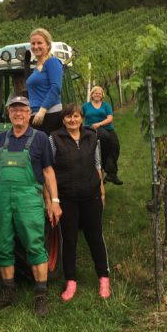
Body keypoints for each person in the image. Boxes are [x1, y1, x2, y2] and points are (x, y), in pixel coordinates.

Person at [0, 95, 62, 317]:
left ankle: (41, 295)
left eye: (22, 110)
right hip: (2, 199)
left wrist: (54, 201)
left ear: (29, 113)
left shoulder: (40, 138)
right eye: (13, 110)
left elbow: (48, 172)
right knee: (2, 244)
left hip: (28, 197)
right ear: (8, 113)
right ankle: (8, 292)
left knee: (34, 244)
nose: (18, 113)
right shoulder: (0, 139)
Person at [50, 103, 110, 301]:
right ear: (63, 119)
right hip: (67, 197)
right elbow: (49, 170)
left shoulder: (92, 137)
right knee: (69, 240)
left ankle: (103, 277)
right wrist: (52, 199)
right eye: (68, 117)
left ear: (82, 118)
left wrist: (101, 191)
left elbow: (97, 165)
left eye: (76, 116)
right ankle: (71, 281)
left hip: (91, 195)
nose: (72, 120)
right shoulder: (54, 139)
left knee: (95, 237)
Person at [82, 86, 123, 185]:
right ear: (91, 94)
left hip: (107, 128)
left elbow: (110, 118)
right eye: (95, 92)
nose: (97, 94)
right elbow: (80, 117)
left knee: (115, 146)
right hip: (91, 129)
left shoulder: (106, 105)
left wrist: (99, 124)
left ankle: (111, 174)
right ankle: (106, 169)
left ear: (102, 95)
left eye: (99, 93)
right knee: (105, 138)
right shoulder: (85, 106)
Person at [26, 28, 64, 135]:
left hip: (50, 114)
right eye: (33, 43)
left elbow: (56, 88)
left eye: (39, 43)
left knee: (49, 148)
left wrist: (42, 111)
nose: (35, 46)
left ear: (48, 45)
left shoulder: (52, 62)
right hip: (36, 115)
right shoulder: (36, 68)